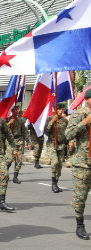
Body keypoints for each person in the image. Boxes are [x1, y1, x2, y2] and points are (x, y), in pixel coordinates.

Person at [65, 89, 91, 240]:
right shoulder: (79, 115)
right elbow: (68, 135)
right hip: (82, 164)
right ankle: (80, 225)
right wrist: (84, 123)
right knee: (80, 197)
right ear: (87, 100)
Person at [45, 103, 69, 193]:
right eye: (59, 109)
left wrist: (70, 142)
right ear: (55, 110)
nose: (61, 111)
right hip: (52, 144)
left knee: (59, 165)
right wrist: (52, 122)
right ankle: (53, 184)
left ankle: (56, 183)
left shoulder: (65, 121)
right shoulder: (50, 119)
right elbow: (46, 131)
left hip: (61, 145)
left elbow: (68, 132)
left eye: (62, 109)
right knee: (54, 163)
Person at [5, 105, 29, 184]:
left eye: (17, 109)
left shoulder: (21, 121)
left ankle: (15, 177)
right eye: (15, 109)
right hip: (10, 141)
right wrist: (9, 123)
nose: (17, 111)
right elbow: (2, 130)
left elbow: (24, 131)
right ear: (11, 111)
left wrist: (28, 141)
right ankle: (6, 173)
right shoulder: (6, 120)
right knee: (9, 160)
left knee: (19, 160)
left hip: (19, 141)